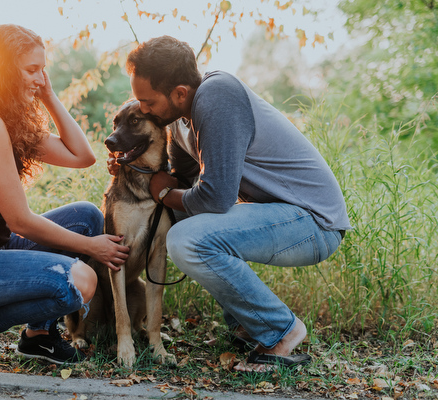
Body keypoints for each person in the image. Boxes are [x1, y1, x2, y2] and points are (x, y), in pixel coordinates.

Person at [111, 35, 351, 372]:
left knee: (185, 239)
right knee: (176, 221)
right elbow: (185, 183)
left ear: (179, 92)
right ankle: (245, 325)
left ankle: (281, 331)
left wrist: (164, 193)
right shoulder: (181, 120)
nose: (143, 109)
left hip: (313, 222)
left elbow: (214, 198)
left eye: (147, 102)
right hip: (279, 216)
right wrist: (135, 167)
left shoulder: (217, 97)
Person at [0, 24, 129, 371]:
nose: (40, 78)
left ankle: (37, 337)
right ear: (1, 71)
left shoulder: (9, 121)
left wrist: (48, 97)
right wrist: (93, 248)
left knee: (87, 217)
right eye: (32, 70)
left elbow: (82, 156)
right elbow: (20, 220)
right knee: (82, 281)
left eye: (43, 69)